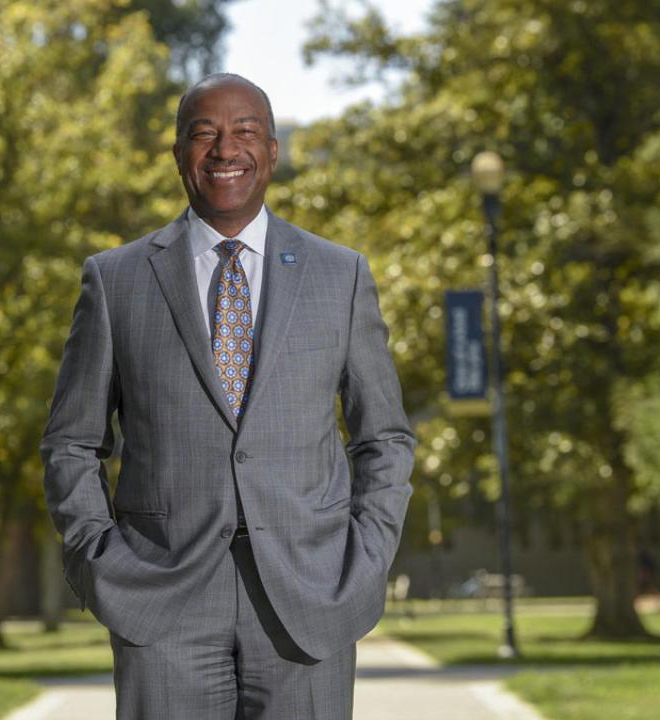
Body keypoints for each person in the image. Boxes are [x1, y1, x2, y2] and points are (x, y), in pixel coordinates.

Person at [41, 73, 415, 719]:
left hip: (310, 591)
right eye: (203, 133)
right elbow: (72, 443)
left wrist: (368, 557)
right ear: (179, 153)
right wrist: (97, 559)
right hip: (161, 595)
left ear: (271, 151)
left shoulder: (340, 274)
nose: (224, 149)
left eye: (244, 132)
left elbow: (384, 436)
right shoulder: (116, 279)